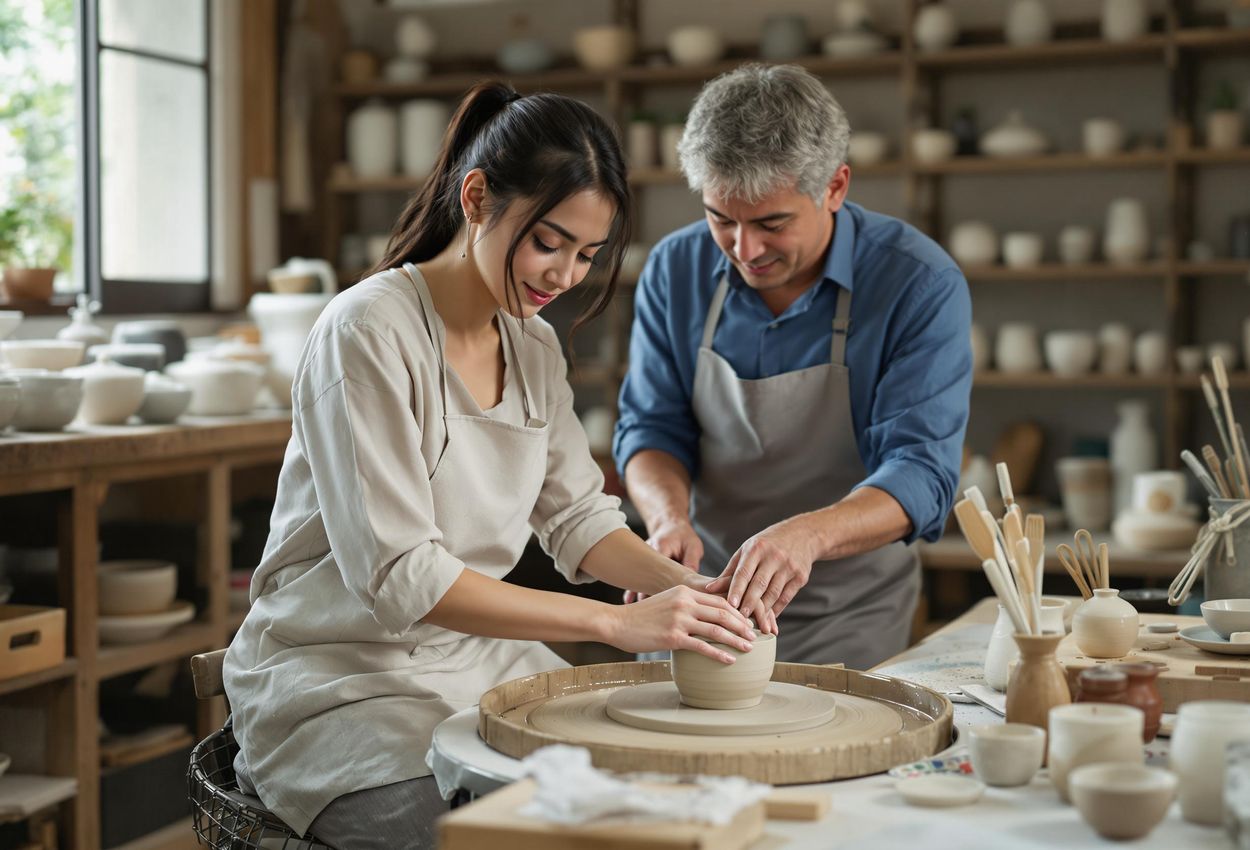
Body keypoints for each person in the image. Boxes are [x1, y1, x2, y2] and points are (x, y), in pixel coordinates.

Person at [223, 82, 758, 849]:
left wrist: (693, 592)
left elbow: (577, 518)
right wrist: (613, 619)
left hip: (479, 663)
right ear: (476, 198)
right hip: (340, 683)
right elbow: (401, 577)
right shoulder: (368, 329)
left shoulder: (533, 344)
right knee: (496, 836)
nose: (566, 276)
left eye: (587, 254)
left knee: (638, 798)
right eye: (549, 242)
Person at [614, 64, 973, 669]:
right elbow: (651, 428)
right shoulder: (674, 269)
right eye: (721, 219)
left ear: (835, 187)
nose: (745, 250)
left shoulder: (918, 282)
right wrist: (667, 518)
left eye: (771, 224)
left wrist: (805, 535)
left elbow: (921, 472)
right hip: (704, 603)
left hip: (849, 611)